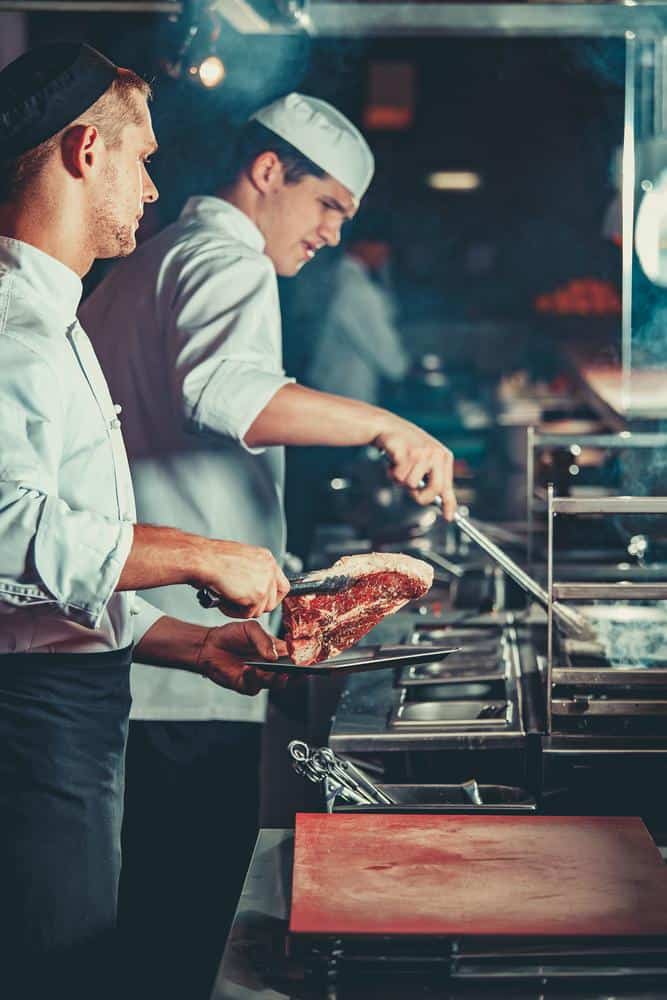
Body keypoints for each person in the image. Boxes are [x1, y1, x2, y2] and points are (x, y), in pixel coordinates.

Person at [81, 92, 457, 999]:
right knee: (176, 939)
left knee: (140, 935)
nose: (331, 232)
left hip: (136, 648)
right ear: (265, 172)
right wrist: (386, 426)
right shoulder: (224, 257)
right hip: (180, 671)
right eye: (326, 203)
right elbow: (224, 391)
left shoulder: (161, 256)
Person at [0, 41, 289, 999]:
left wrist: (190, 647)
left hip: (72, 707)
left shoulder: (59, 316)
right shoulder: (11, 324)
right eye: (144, 158)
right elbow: (10, 535)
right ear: (87, 152)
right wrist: (199, 553)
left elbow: (48, 593)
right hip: (31, 726)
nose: (154, 189)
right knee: (56, 977)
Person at [307, 213, 409, 405]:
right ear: (362, 245)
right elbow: (391, 359)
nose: (385, 255)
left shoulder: (332, 277)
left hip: (325, 387)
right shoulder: (358, 291)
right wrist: (406, 369)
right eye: (382, 247)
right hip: (347, 394)